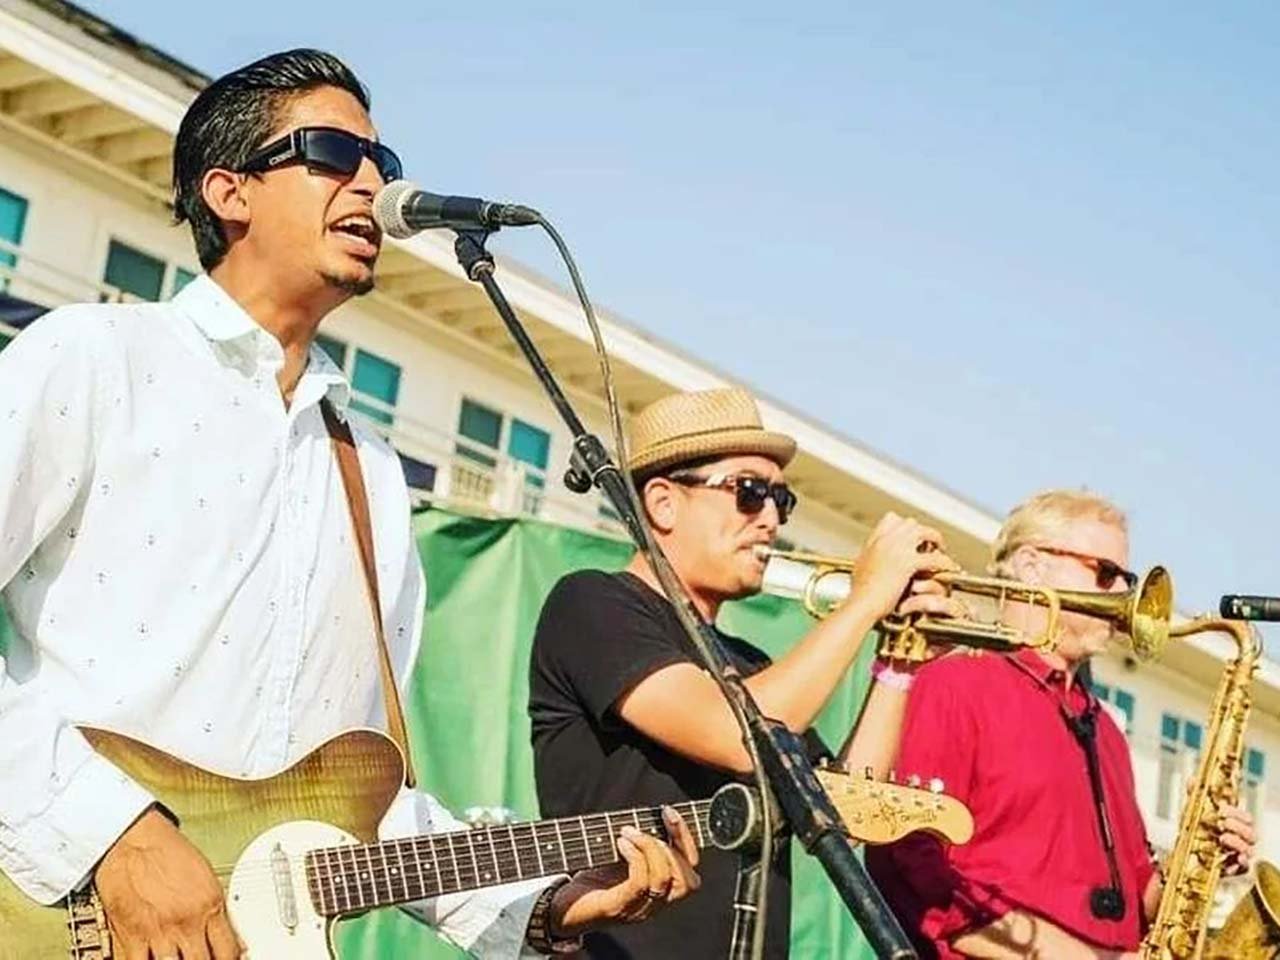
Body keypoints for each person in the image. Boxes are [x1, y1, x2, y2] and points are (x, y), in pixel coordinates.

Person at [0, 49, 699, 959]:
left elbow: (359, 804)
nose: (373, 181)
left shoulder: (367, 472)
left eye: (385, 163)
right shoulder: (93, 359)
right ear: (228, 191)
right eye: (334, 151)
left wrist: (543, 897)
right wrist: (113, 833)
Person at [528, 386, 964, 958]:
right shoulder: (591, 603)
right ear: (663, 503)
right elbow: (735, 735)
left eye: (782, 501)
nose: (769, 519)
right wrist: (867, 600)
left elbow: (848, 807)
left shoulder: (748, 665)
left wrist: (898, 662)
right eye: (749, 493)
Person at [866, 489, 1257, 959]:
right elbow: (909, 866)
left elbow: (1138, 901)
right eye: (1106, 573)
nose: (1123, 594)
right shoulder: (954, 681)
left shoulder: (1105, 727)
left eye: (1125, 577)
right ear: (1033, 565)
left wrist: (1198, 856)